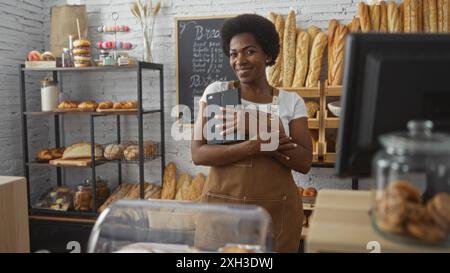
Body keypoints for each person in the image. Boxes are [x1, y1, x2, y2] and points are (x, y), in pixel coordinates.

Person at [191, 13, 312, 253]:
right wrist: (255, 144)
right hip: (221, 214)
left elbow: (304, 161)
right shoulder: (217, 93)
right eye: (234, 54)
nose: (239, 60)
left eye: (249, 51)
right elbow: (199, 154)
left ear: (267, 54)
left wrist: (254, 123)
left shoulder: (290, 101)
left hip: (275, 215)